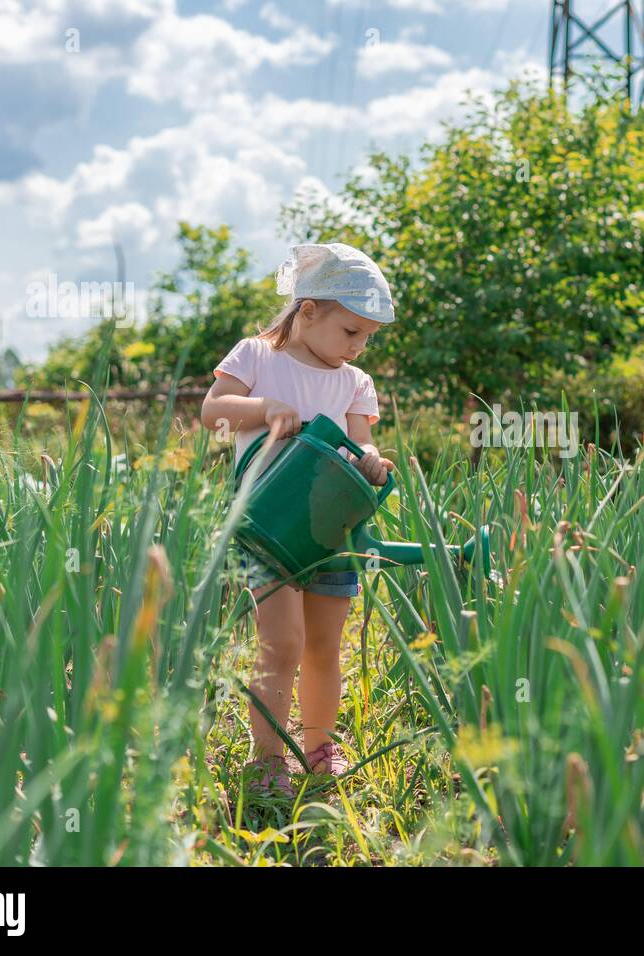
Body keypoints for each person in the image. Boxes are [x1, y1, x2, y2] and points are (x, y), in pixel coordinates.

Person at [200, 242, 397, 792]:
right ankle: (267, 759)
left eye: (367, 338)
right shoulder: (257, 357)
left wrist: (372, 462)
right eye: (351, 331)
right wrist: (263, 409)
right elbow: (211, 413)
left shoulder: (353, 382)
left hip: (329, 529)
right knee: (281, 641)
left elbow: (360, 445)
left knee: (323, 645)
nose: (358, 347)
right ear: (308, 311)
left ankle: (318, 746)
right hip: (268, 526)